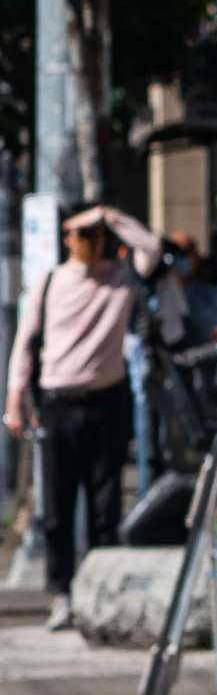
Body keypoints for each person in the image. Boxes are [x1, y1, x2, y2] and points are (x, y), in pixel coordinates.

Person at [5, 203, 163, 631]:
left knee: (104, 504)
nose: (88, 240)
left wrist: (112, 216)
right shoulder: (52, 282)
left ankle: (99, 591)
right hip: (59, 402)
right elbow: (25, 342)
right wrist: (15, 400)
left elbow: (150, 247)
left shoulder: (120, 279)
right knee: (57, 504)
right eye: (80, 233)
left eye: (95, 233)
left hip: (107, 402)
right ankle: (62, 593)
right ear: (66, 237)